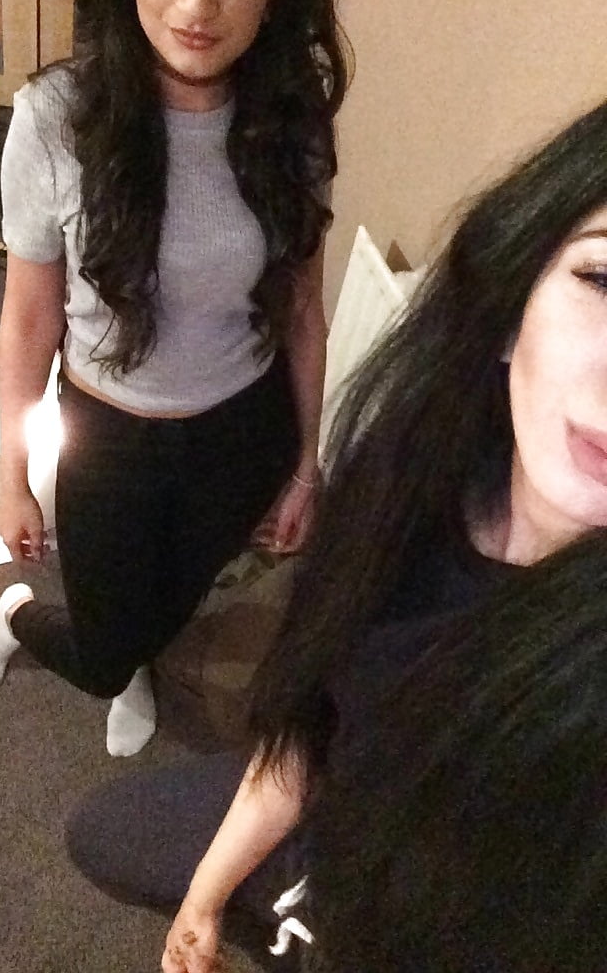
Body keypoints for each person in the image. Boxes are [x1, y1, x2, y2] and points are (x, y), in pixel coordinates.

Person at [65, 96, 607, 972]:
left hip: (416, 925)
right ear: (512, 308)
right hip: (335, 826)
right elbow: (310, 719)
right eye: (604, 281)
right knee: (101, 833)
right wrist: (206, 899)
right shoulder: (408, 489)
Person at [0, 0, 349, 758]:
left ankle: (141, 647)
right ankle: (19, 619)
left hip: (242, 428)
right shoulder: (55, 119)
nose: (197, 2)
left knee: (178, 597)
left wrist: (305, 463)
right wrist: (12, 475)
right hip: (112, 437)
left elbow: (300, 306)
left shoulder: (291, 120)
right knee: (104, 652)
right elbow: (29, 316)